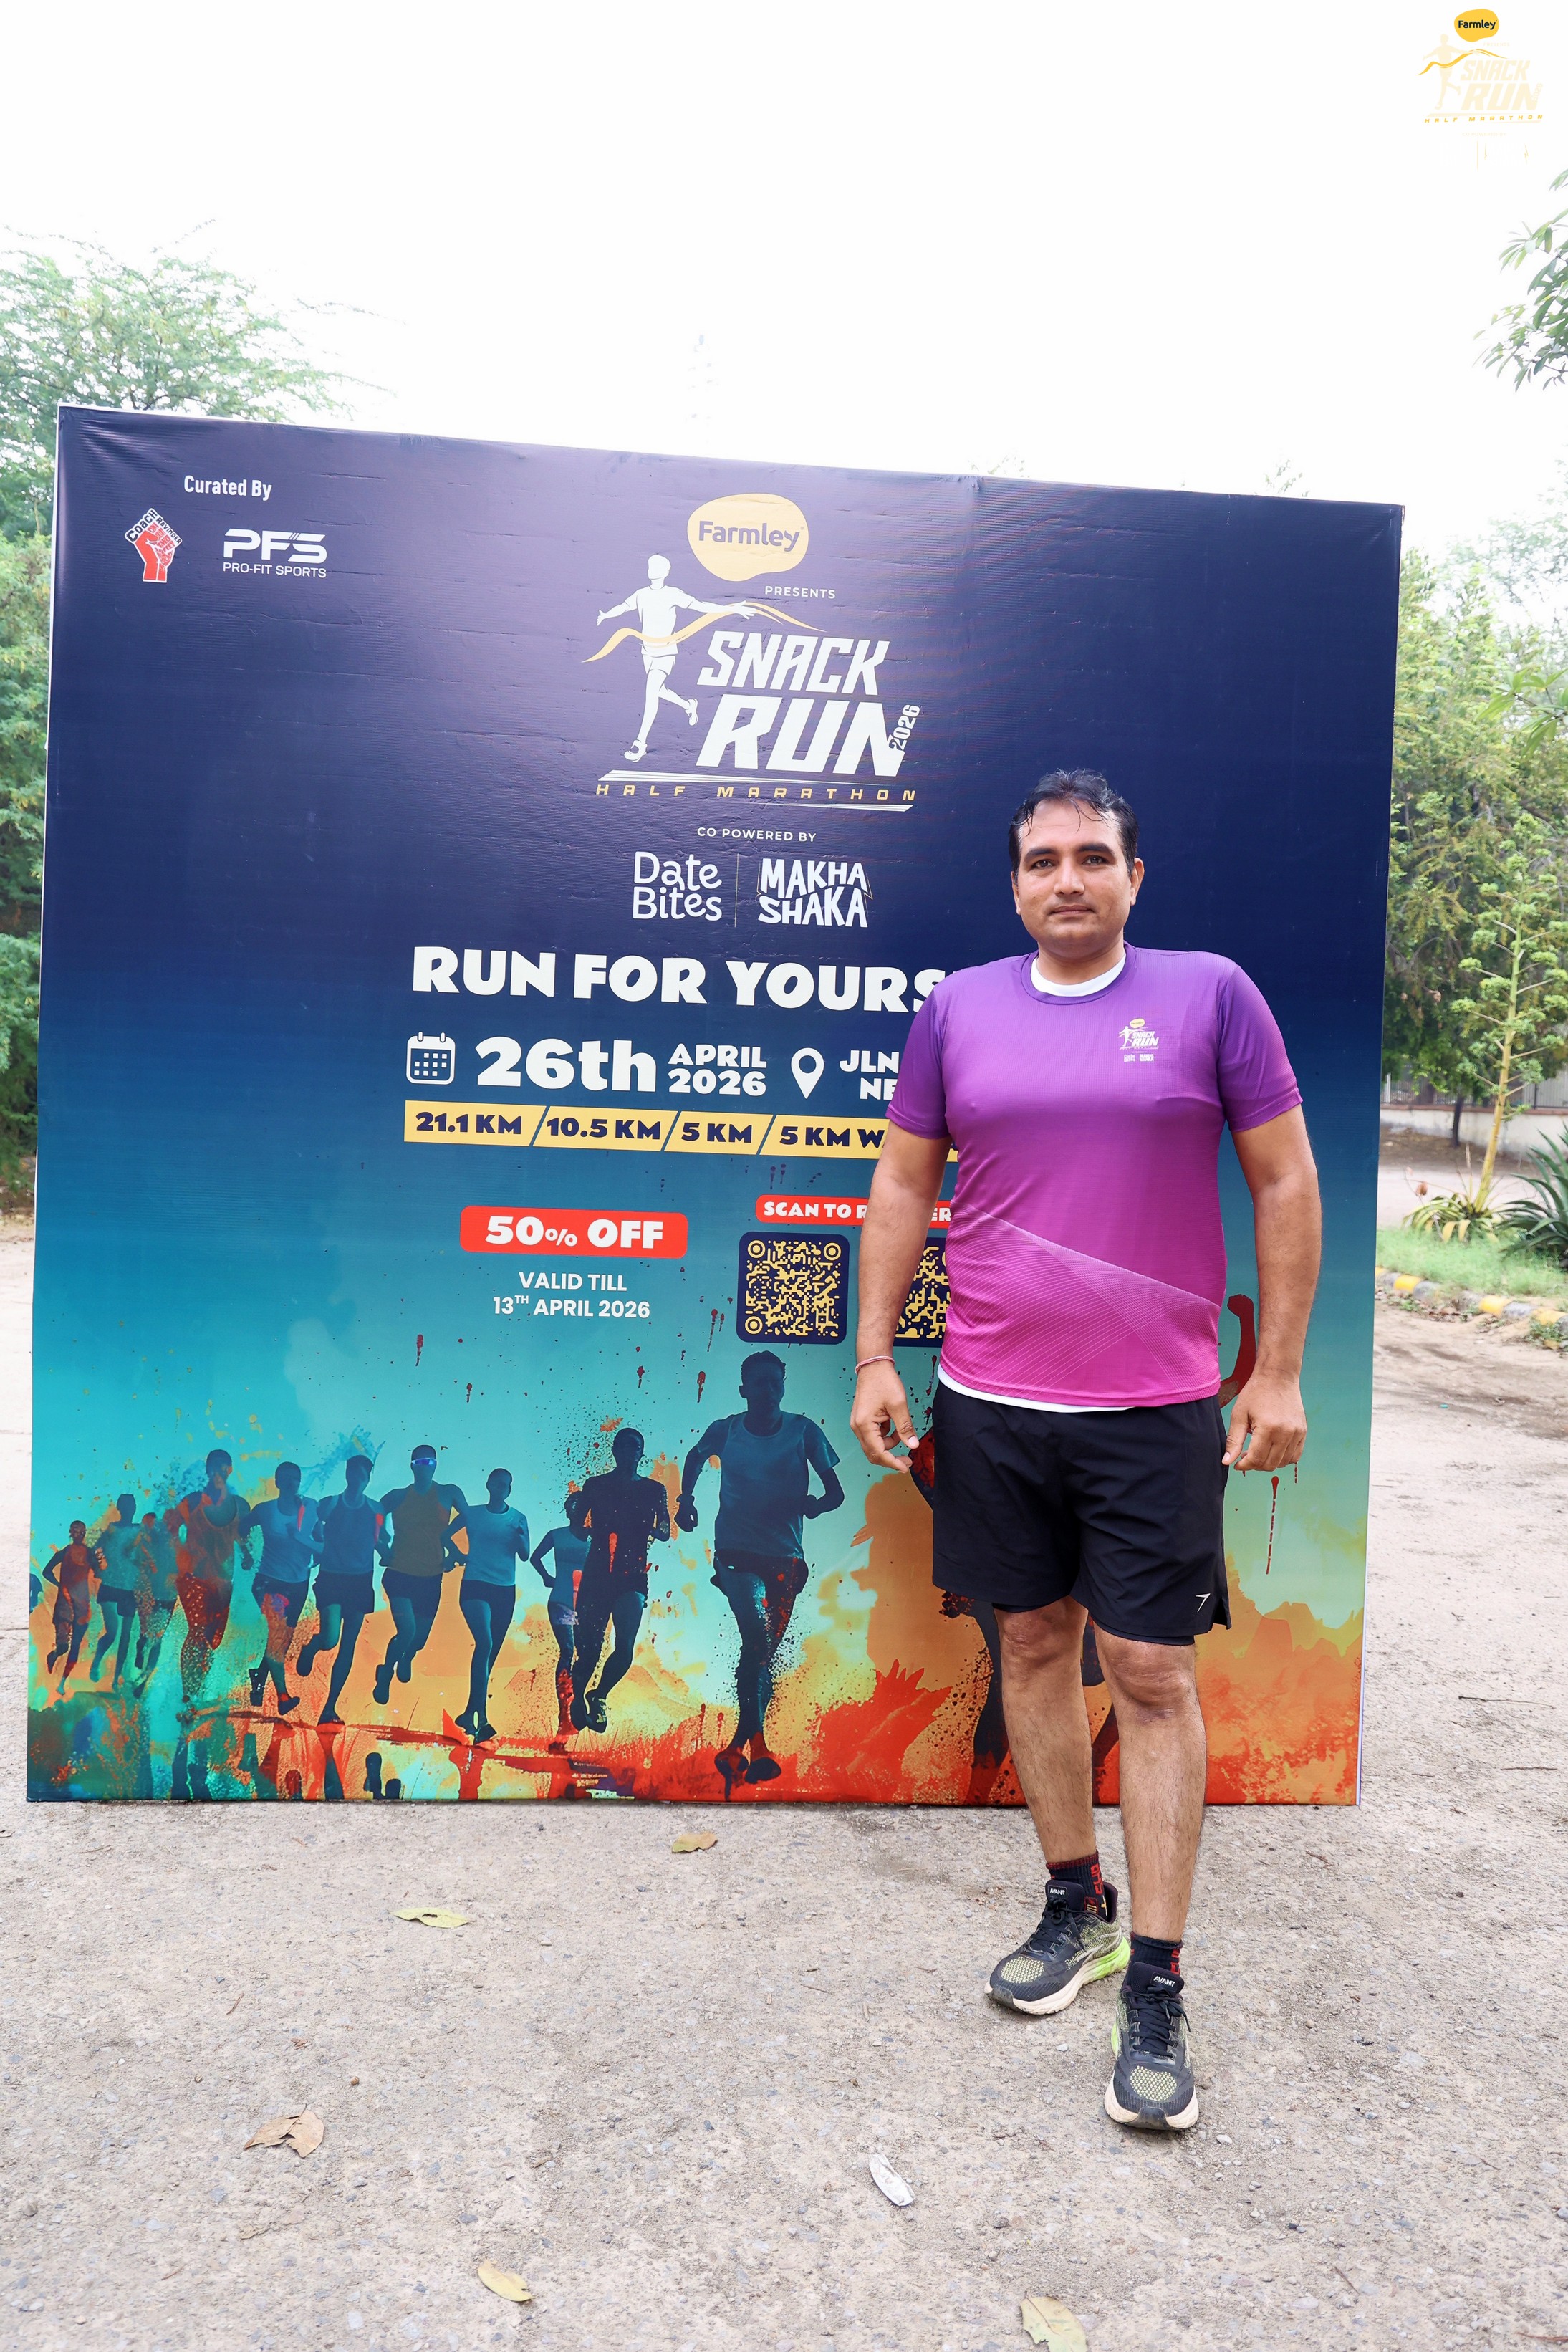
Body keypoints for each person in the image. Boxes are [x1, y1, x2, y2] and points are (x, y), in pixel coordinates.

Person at [850, 770, 1320, 2133]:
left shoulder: (1211, 995)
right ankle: (1077, 1901)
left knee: (1153, 1672)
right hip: (989, 1402)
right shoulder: (957, 1008)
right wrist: (875, 1355)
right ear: (1014, 886)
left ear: (1132, 876)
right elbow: (902, 1182)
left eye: (1092, 857)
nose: (1068, 878)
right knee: (1031, 1643)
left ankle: (1157, 1982)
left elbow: (1283, 1177)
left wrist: (1277, 1369)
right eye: (1043, 859)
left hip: (1152, 1408)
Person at [676, 1350, 844, 1792]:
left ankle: (739, 1746)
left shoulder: (804, 1431)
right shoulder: (726, 1430)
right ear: (744, 1389)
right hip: (736, 1552)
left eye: (775, 1382)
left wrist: (814, 1506)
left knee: (761, 1654)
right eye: (759, 1382)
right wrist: (685, 1501)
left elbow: (836, 1493)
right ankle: (759, 1745)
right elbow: (695, 1456)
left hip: (786, 1558)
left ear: (783, 1388)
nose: (768, 1390)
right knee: (755, 1637)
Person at [595, 556, 751, 763]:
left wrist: (731, 608)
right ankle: (688, 705)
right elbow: (623, 606)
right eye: (650, 566)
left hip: (666, 652)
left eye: (657, 567)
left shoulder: (673, 594)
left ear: (666, 572)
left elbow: (701, 606)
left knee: (652, 692)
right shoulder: (641, 594)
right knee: (659, 691)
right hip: (647, 652)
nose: (652, 570)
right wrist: (607, 614)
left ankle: (640, 743)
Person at [569, 1428, 670, 1732]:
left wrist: (657, 1529)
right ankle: (577, 1697)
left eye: (634, 1446)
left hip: (633, 1577)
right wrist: (579, 1522)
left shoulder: (655, 1490)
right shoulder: (596, 1485)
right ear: (614, 1450)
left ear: (641, 1453)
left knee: (625, 1646)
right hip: (597, 1575)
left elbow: (665, 1529)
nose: (628, 1450)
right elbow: (577, 1527)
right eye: (623, 1445)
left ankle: (599, 1695)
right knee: (590, 1648)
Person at [372, 1444, 466, 1707]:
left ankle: (408, 1657)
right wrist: (382, 1546)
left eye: (429, 1462)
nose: (425, 1466)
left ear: (436, 1465)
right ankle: (385, 1673)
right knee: (407, 1631)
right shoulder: (397, 1496)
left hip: (431, 1576)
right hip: (399, 1574)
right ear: (412, 1466)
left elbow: (470, 1518)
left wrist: (453, 1552)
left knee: (419, 1641)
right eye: (419, 1462)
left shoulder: (449, 1492)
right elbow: (373, 1516)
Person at [168, 1449, 254, 1734]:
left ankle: (198, 1691)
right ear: (207, 1470)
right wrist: (178, 1555)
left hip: (224, 1580)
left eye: (223, 1467)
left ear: (229, 1470)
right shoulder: (192, 1501)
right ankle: (188, 1697)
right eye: (213, 1467)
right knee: (197, 1631)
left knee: (212, 1639)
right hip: (193, 1577)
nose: (217, 1472)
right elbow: (170, 1529)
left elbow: (243, 1536)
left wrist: (247, 1554)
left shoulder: (240, 1505)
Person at [297, 1454, 383, 1724]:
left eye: (362, 1476)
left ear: (368, 1479)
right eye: (353, 1473)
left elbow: (380, 1540)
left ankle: (329, 1708)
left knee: (348, 1645)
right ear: (347, 1474)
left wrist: (391, 1554)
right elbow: (312, 1529)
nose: (357, 1479)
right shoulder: (330, 1504)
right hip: (332, 1578)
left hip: (360, 1581)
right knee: (331, 1638)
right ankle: (313, 1646)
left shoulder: (376, 1509)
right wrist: (317, 1545)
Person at [450, 1467, 530, 1742]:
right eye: (496, 1483)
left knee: (490, 1655)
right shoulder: (472, 1513)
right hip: (475, 1584)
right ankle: (482, 1720)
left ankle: (467, 1714)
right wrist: (458, 1555)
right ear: (488, 1485)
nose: (500, 1488)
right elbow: (444, 1535)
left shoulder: (518, 1518)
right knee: (484, 1643)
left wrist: (521, 1538)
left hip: (505, 1590)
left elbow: (525, 1555)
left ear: (509, 1490)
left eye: (505, 1485)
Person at [247, 1462, 322, 1715]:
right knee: (277, 1635)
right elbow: (241, 1528)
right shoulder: (265, 1510)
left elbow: (321, 1538)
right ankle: (283, 1696)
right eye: (286, 1478)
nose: (291, 1483)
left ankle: (259, 1676)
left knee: (281, 1642)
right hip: (268, 1582)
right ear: (277, 1482)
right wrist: (246, 1553)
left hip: (298, 1584)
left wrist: (316, 1551)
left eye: (295, 1479)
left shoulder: (311, 1508)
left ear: (299, 1482)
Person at [530, 1492, 590, 1745]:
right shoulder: (556, 1535)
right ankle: (563, 1716)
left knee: (585, 1655)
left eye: (581, 1507)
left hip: (586, 1605)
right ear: (567, 1510)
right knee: (567, 1650)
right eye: (572, 1507)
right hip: (561, 1601)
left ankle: (576, 1709)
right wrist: (547, 1577)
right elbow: (535, 1557)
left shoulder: (595, 1538)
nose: (575, 1511)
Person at [91, 1495, 144, 1688]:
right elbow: (96, 1549)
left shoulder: (140, 1530)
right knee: (112, 1632)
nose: (130, 1509)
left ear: (135, 1508)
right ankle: (97, 1662)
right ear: (120, 1508)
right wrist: (99, 1566)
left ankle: (116, 1679)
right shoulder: (112, 1529)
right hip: (111, 1584)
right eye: (126, 1506)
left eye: (132, 1505)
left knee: (126, 1636)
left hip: (130, 1587)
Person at [43, 1521, 101, 1679]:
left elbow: (99, 1572)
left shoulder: (89, 1553)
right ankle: (54, 1655)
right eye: (74, 1531)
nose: (76, 1534)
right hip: (65, 1605)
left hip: (82, 1604)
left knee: (75, 1645)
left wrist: (100, 1560)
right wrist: (60, 1585)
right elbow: (47, 1571)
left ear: (84, 1533)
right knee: (63, 1646)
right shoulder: (66, 1552)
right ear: (71, 1533)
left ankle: (63, 1682)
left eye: (79, 1531)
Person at [132, 1511, 181, 1686]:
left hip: (167, 1594)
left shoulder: (176, 1542)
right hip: (153, 1591)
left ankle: (145, 1676)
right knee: (149, 1633)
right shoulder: (157, 1540)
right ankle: (142, 1647)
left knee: (157, 1636)